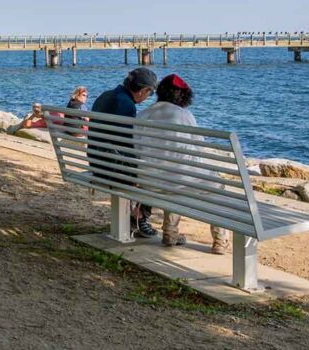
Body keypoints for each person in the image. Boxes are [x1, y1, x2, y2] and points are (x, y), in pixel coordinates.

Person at [137, 74, 231, 254]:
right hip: (175, 182)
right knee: (215, 184)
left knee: (175, 177)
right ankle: (220, 240)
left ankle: (170, 233)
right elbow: (197, 151)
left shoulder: (144, 114)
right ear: (183, 96)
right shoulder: (184, 115)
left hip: (148, 182)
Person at [90, 67, 158, 238]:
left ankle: (135, 218)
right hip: (112, 167)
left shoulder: (106, 95)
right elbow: (127, 143)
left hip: (97, 162)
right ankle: (140, 217)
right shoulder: (126, 105)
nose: (147, 97)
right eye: (149, 94)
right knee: (154, 173)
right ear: (143, 90)